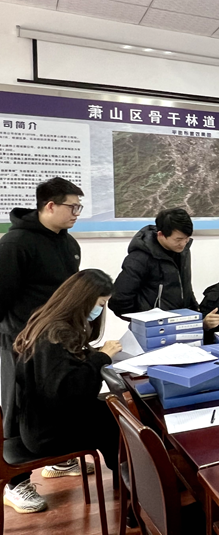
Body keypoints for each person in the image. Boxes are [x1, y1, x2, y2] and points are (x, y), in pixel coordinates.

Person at [0, 177, 89, 509]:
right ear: (50, 206)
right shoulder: (15, 244)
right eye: (72, 207)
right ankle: (15, 482)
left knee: (56, 400)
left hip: (56, 341)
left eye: (79, 207)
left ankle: (56, 460)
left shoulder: (67, 242)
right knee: (19, 409)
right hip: (20, 344)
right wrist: (18, 339)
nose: (77, 213)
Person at [7, 269, 121, 514]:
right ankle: (130, 478)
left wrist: (94, 355)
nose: (101, 310)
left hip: (40, 421)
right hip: (47, 433)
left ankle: (127, 473)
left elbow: (63, 373)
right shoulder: (57, 334)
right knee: (116, 421)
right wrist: (102, 357)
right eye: (101, 304)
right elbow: (68, 392)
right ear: (83, 299)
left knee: (110, 410)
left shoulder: (50, 323)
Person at [109, 208, 208, 325]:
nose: (183, 243)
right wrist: (144, 320)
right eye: (178, 239)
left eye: (187, 238)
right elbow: (119, 299)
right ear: (161, 234)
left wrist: (196, 314)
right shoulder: (140, 258)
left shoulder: (183, 251)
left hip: (181, 324)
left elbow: (185, 288)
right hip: (154, 329)